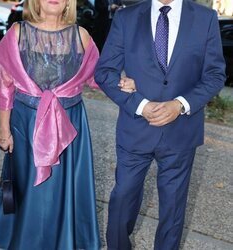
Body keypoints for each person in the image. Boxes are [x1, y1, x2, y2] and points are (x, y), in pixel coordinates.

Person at [94, 0, 226, 249]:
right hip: (135, 127)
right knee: (123, 197)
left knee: (173, 206)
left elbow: (215, 75)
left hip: (181, 130)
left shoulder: (205, 18)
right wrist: (140, 104)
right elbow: (105, 72)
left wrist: (180, 105)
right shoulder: (127, 18)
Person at [0, 0, 103, 249]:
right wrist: (4, 129)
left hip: (70, 125)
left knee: (62, 187)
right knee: (29, 187)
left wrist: (126, 81)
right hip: (25, 124)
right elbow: (5, 86)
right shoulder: (18, 33)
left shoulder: (82, 36)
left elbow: (97, 77)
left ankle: (64, 240)